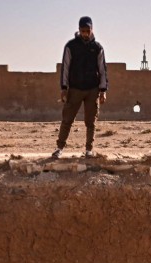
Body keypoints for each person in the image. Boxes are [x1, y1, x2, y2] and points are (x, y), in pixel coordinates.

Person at [52, 16, 108, 159]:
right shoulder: (71, 46)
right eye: (83, 31)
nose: (85, 33)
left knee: (91, 121)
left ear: (92, 29)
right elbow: (65, 67)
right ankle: (59, 148)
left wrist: (103, 90)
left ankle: (89, 150)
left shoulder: (97, 48)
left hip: (92, 89)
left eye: (87, 30)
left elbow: (102, 70)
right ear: (79, 30)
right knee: (67, 120)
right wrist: (64, 88)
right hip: (75, 89)